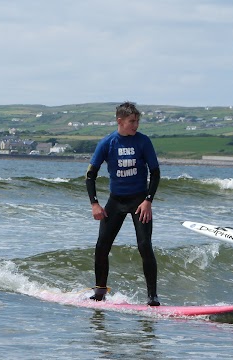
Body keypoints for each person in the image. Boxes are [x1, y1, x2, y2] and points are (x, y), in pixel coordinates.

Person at [85, 102, 161, 306]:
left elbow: (155, 173)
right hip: (116, 201)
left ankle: (152, 297)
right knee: (102, 246)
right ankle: (100, 293)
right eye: (132, 121)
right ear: (120, 121)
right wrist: (95, 204)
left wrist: (148, 201)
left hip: (139, 201)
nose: (136, 125)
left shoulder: (143, 142)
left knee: (145, 246)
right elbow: (90, 176)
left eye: (137, 121)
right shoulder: (107, 143)